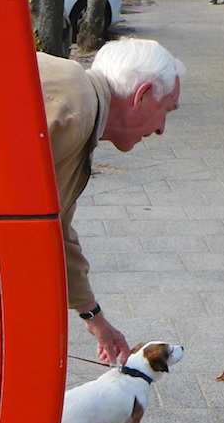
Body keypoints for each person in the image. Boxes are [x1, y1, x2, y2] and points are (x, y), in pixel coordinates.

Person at [37, 40, 185, 365]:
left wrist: (95, 319)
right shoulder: (75, 108)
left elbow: (56, 230)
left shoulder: (82, 107)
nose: (161, 129)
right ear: (142, 95)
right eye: (166, 110)